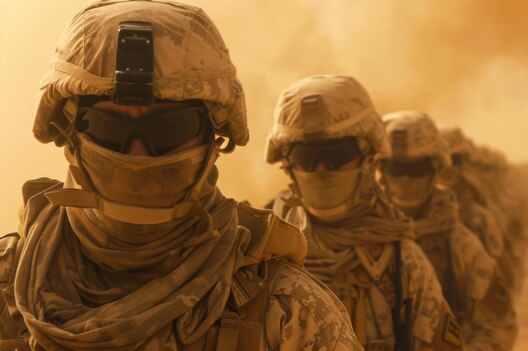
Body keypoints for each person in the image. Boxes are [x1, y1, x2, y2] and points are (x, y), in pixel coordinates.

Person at [0, 2, 363, 350]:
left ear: (213, 140)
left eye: (169, 129)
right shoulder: (8, 289)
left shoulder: (289, 314)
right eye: (108, 126)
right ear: (68, 135)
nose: (137, 155)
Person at [265, 74, 463, 351]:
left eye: (338, 155)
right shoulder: (258, 250)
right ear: (288, 166)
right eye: (305, 158)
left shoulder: (401, 264)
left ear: (368, 160)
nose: (322, 170)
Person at [378, 112, 517, 351]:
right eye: (396, 168)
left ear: (434, 171)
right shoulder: (354, 241)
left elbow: (498, 323)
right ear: (381, 171)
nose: (405, 180)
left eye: (417, 169)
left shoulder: (460, 242)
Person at [439, 127, 515, 290]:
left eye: (456, 159)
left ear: (464, 164)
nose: (449, 166)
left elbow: (504, 276)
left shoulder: (478, 215)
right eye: (443, 160)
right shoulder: (397, 218)